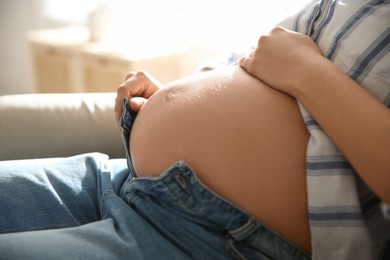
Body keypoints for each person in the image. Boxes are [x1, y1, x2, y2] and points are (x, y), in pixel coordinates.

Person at [0, 0, 388, 259]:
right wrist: (175, 92)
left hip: (208, 235)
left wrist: (307, 72)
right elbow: (268, 64)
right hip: (123, 176)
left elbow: (296, 66)